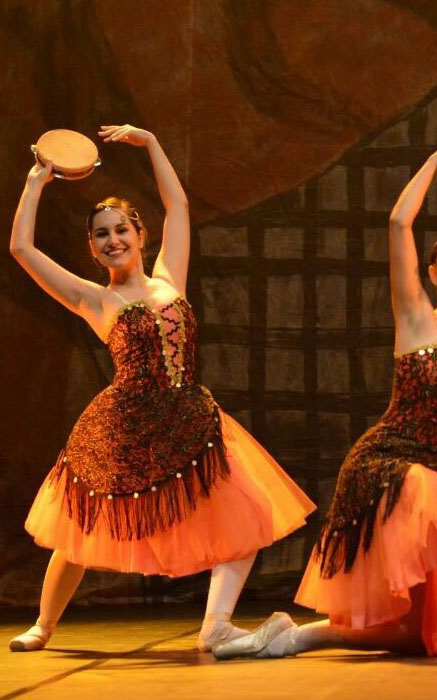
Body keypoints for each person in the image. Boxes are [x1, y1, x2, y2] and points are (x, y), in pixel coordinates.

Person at [213, 138, 437, 660]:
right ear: (432, 273)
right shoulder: (417, 319)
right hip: (390, 467)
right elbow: (399, 223)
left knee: (414, 636)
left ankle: (295, 637)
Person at [8, 125, 315, 653]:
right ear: (92, 247)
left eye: (122, 230)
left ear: (140, 235)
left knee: (251, 515)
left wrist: (151, 144)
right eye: (102, 234)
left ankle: (216, 625)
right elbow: (20, 248)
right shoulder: (92, 300)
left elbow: (177, 207)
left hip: (189, 418)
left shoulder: (170, 278)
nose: (114, 241)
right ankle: (44, 624)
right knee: (80, 529)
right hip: (124, 424)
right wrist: (37, 183)